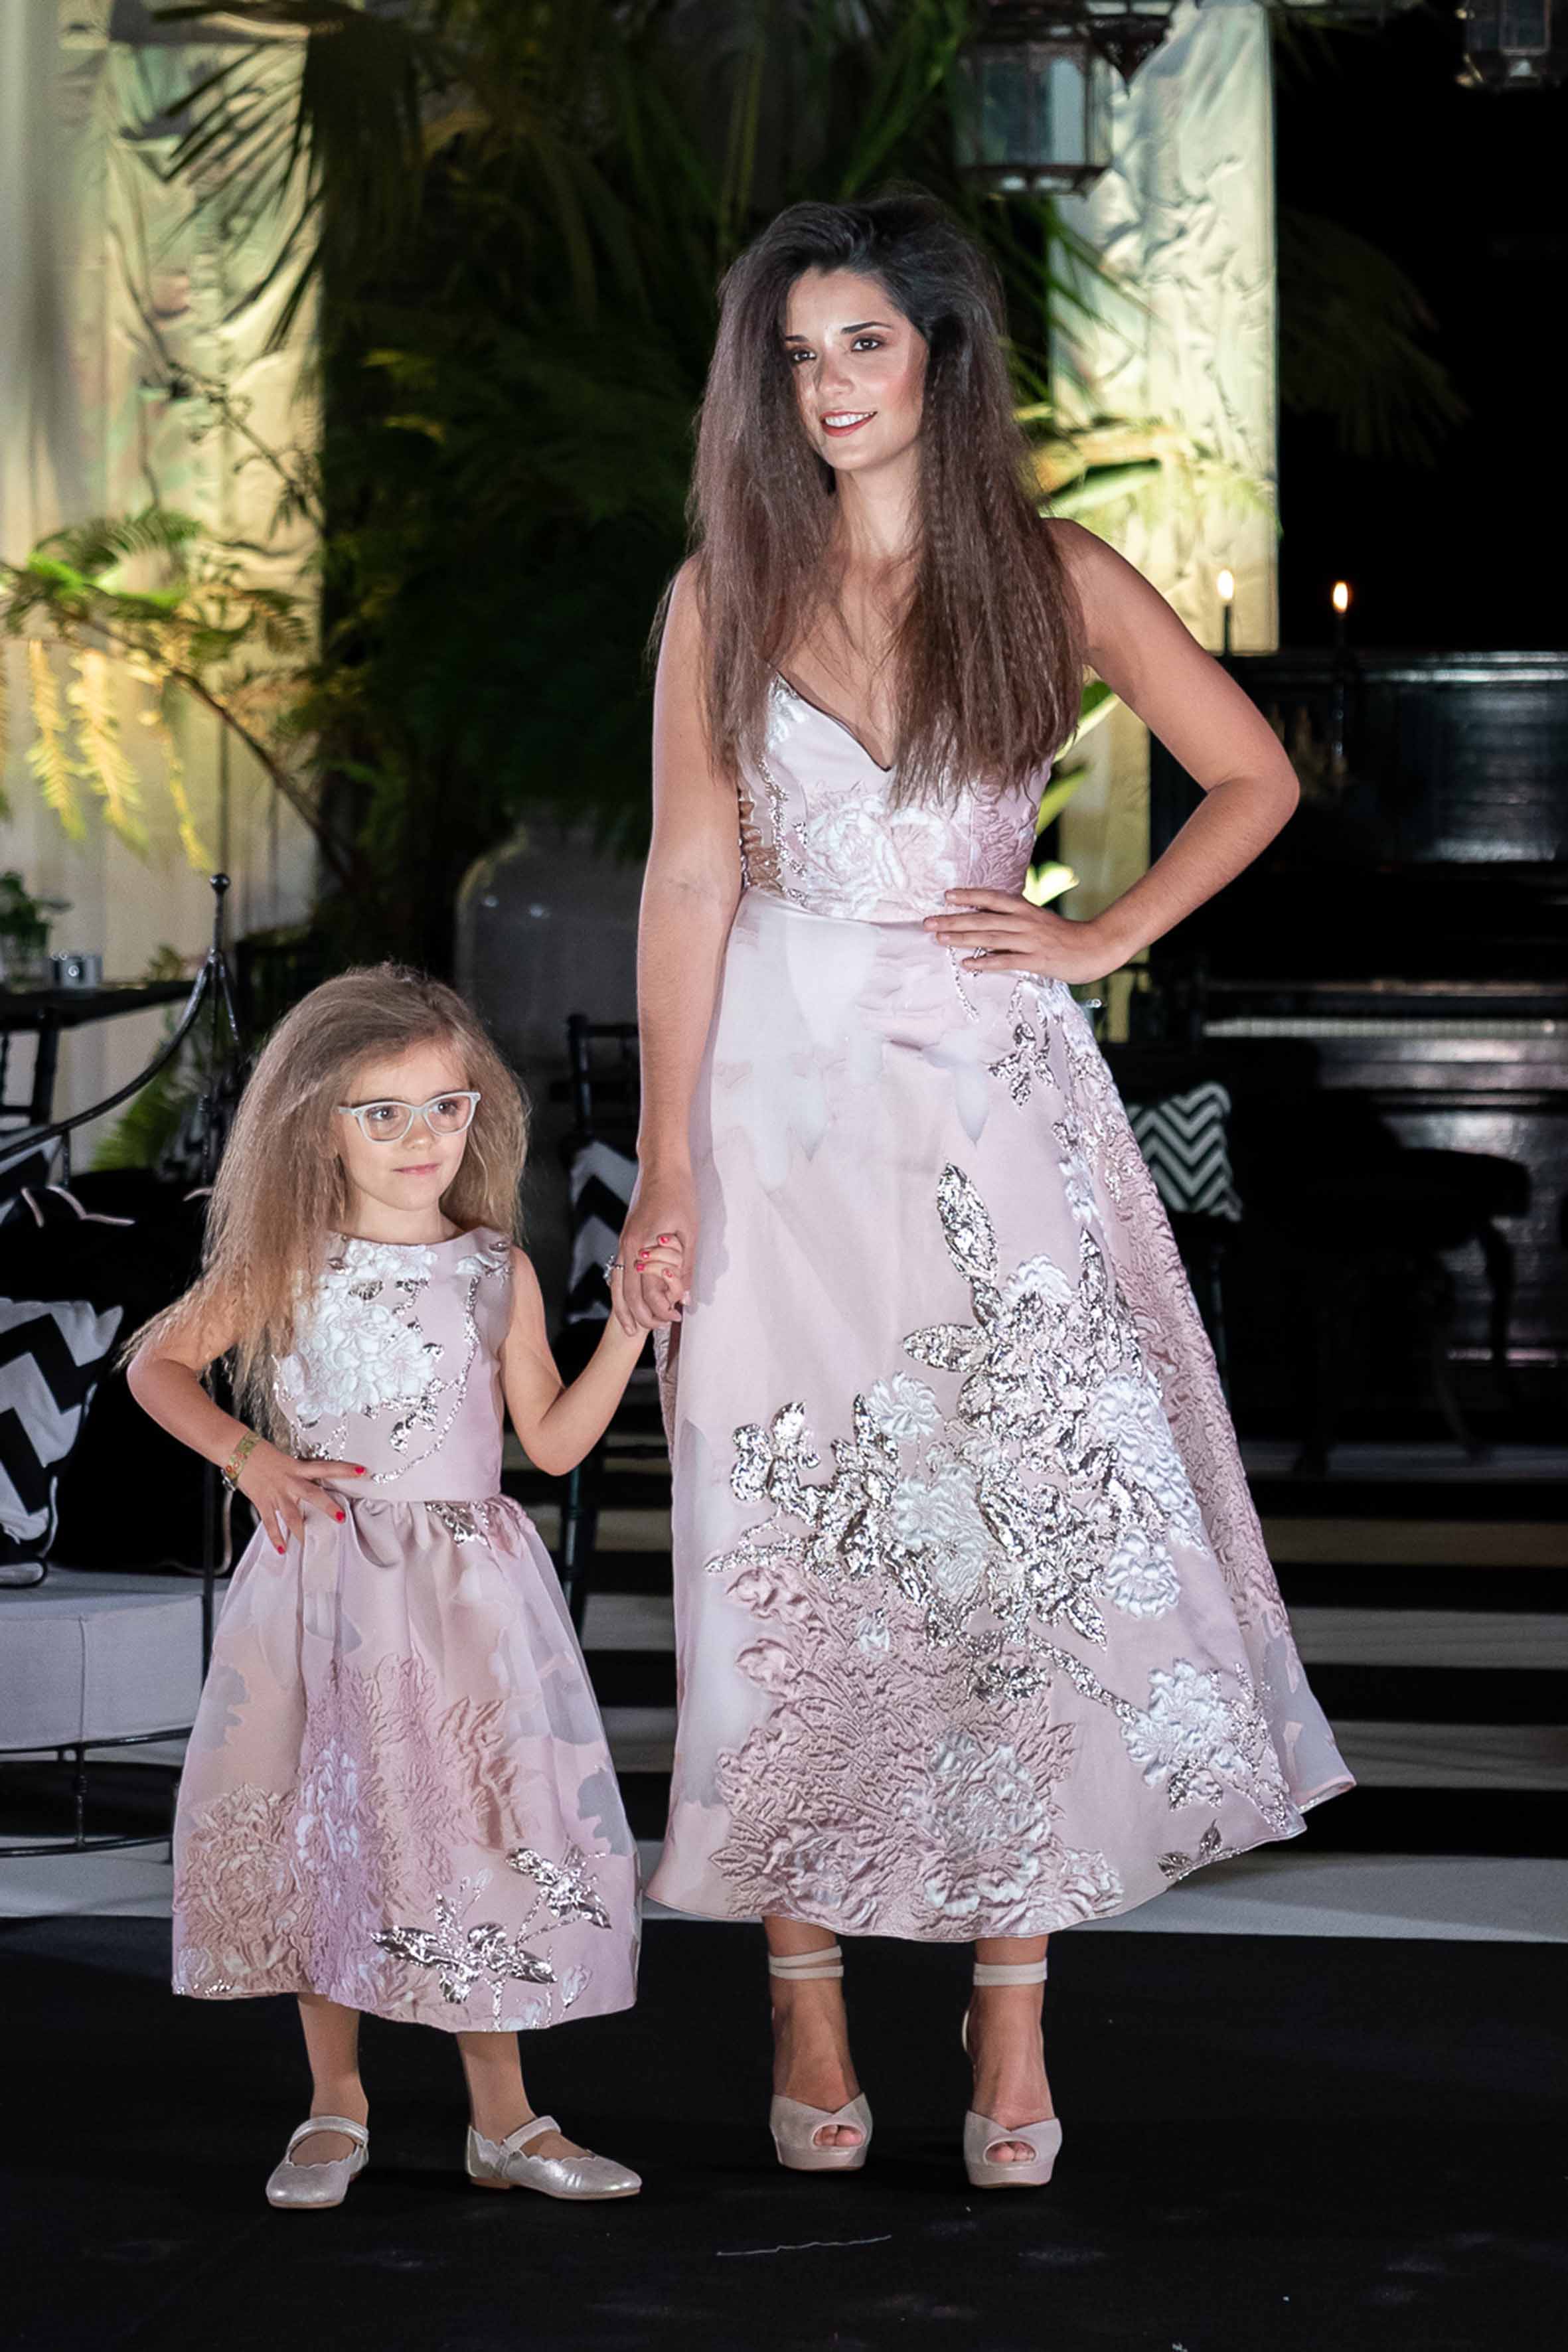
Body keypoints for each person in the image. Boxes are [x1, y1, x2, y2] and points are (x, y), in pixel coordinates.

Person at [616, 193, 1354, 2191]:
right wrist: (667, 1166)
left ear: (940, 356)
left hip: (987, 1110)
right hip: (774, 1110)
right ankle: (802, 1990)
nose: (829, 385)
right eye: (798, 356)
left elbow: (1255, 775)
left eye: (862, 343)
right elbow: (688, 877)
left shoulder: (1053, 575)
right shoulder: (725, 590)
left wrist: (1099, 934)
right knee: (785, 1542)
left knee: (1014, 1550)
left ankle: (1008, 2008)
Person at [125, 965, 682, 2210]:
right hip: (324, 1586)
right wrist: (249, 1457)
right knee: (325, 1823)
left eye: (445, 1106)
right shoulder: (285, 1262)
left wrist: (630, 1329)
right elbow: (157, 1366)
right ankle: (335, 2103)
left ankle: (506, 2118)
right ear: (316, 1126)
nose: (421, 1136)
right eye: (382, 1113)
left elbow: (553, 1446)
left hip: (465, 1605)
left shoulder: (495, 1269)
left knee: (476, 1831)